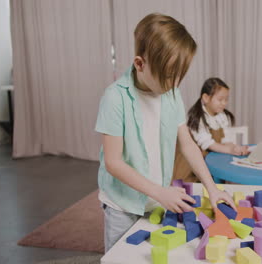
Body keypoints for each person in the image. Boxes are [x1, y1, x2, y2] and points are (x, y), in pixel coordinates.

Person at [95, 13, 236, 252]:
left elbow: (188, 144)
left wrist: (213, 188)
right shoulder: (115, 98)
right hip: (123, 205)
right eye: (170, 76)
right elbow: (113, 162)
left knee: (150, 254)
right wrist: (160, 192)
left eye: (180, 76)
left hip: (157, 198)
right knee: (122, 256)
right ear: (140, 64)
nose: (175, 84)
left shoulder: (171, 94)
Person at [172, 77, 249, 183]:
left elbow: (225, 140)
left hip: (212, 157)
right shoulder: (198, 118)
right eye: (220, 99)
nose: (224, 103)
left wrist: (235, 148)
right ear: (206, 98)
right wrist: (230, 149)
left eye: (226, 99)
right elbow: (208, 144)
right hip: (192, 162)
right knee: (191, 185)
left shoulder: (223, 116)